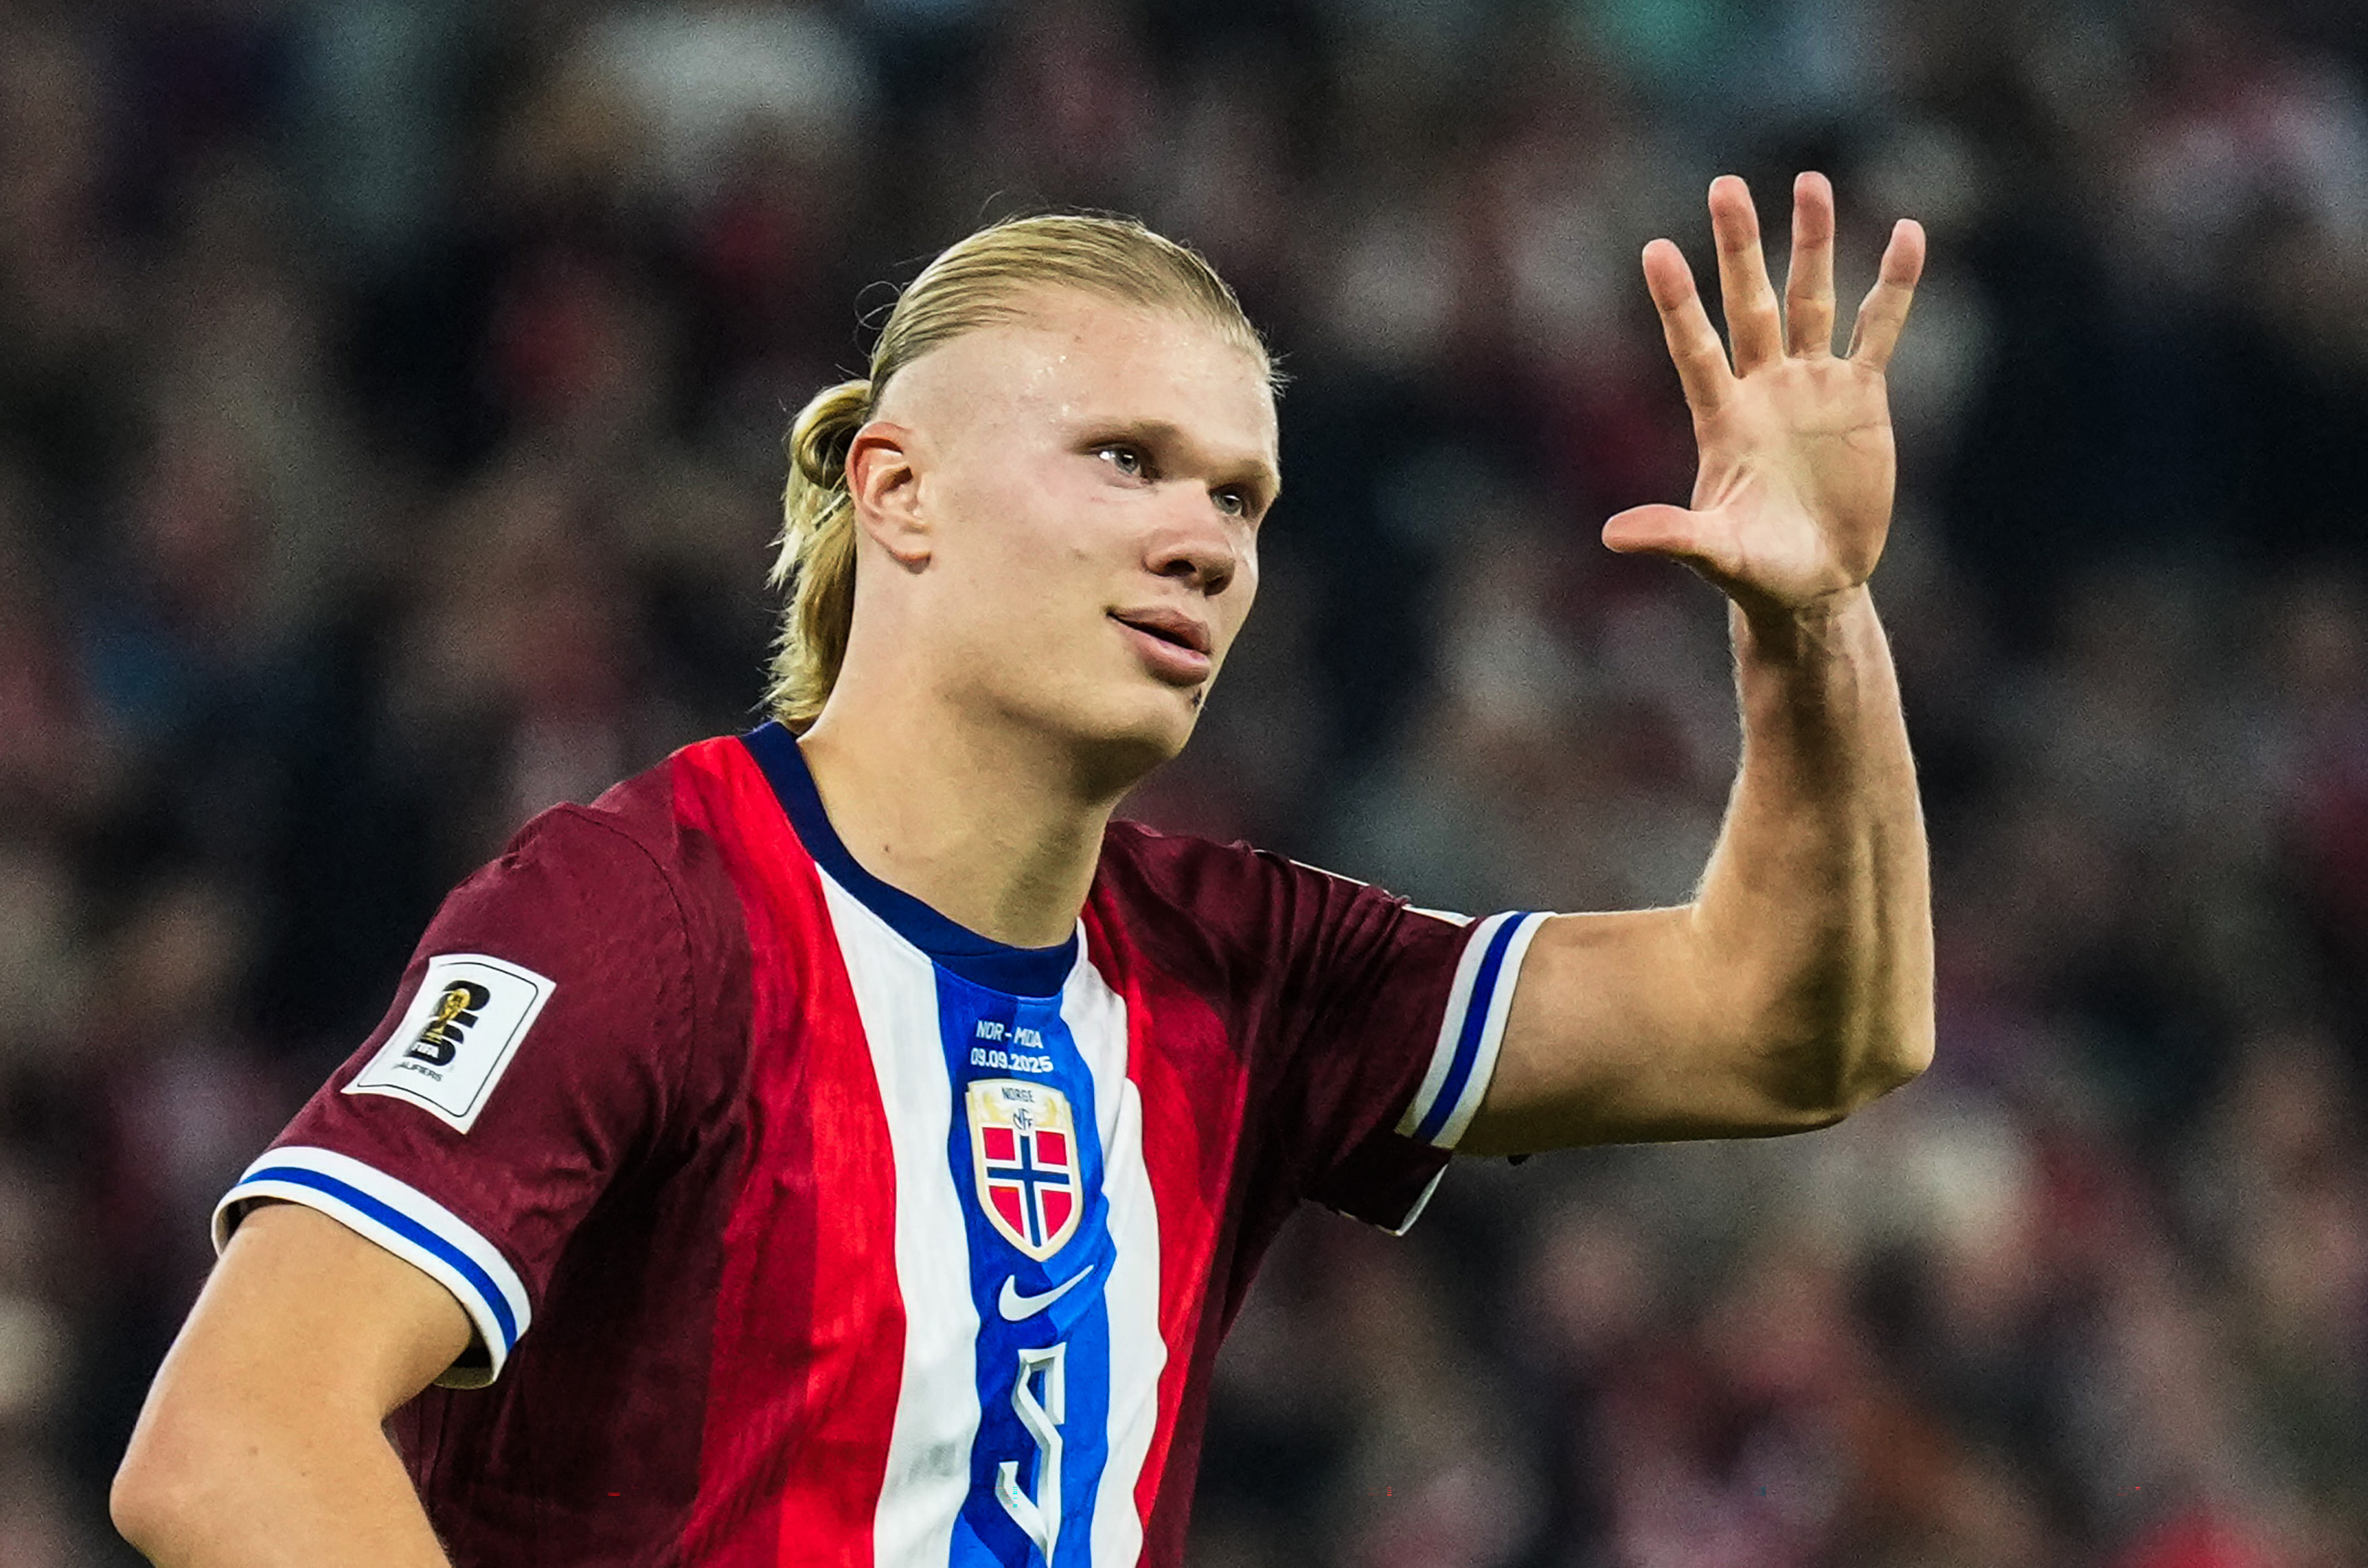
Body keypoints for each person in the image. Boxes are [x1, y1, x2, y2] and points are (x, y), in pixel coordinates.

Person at [110, 174, 1932, 1567]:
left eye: (1238, 498)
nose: (1200, 541)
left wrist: (1814, 621)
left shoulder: (1248, 972)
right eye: (1126, 461)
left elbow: (1796, 1030)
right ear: (895, 492)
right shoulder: (642, 914)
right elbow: (229, 1441)